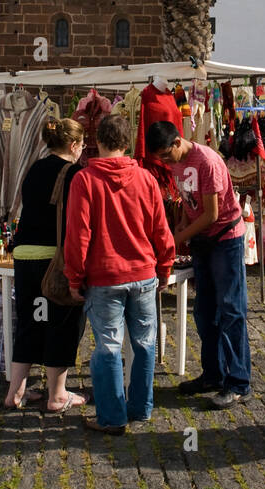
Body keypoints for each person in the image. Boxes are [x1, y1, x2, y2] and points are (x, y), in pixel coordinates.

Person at [64, 112, 175, 434]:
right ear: (127, 143)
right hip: (142, 273)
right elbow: (161, 229)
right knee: (144, 344)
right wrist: (165, 265)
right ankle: (140, 408)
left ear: (97, 141)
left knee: (109, 346)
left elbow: (78, 235)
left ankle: (112, 417)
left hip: (105, 277)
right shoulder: (146, 180)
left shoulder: (85, 180)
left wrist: (74, 277)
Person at [148, 120, 252, 408]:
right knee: (205, 312)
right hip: (202, 242)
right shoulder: (176, 162)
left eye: (167, 156)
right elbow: (189, 203)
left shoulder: (206, 160)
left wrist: (176, 237)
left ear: (177, 141)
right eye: (161, 159)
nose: (166, 162)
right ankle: (213, 375)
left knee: (231, 309)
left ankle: (239, 383)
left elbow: (211, 214)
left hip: (225, 238)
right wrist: (181, 224)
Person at [5, 117, 90, 412]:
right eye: (82, 143)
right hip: (52, 259)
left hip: (24, 254)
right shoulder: (75, 173)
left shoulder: (35, 168)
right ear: (73, 144)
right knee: (61, 322)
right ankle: (57, 396)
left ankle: (15, 393)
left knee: (30, 322)